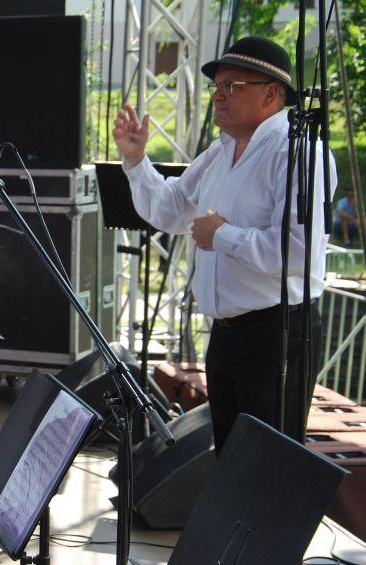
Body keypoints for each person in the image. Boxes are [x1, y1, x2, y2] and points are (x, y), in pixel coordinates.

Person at [112, 36, 337, 453]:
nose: (218, 96)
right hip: (227, 336)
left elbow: (300, 252)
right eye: (217, 86)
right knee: (231, 459)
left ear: (271, 94)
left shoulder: (299, 152)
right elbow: (172, 209)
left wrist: (222, 236)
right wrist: (136, 161)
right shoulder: (221, 151)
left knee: (265, 465)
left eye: (232, 86)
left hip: (276, 336)